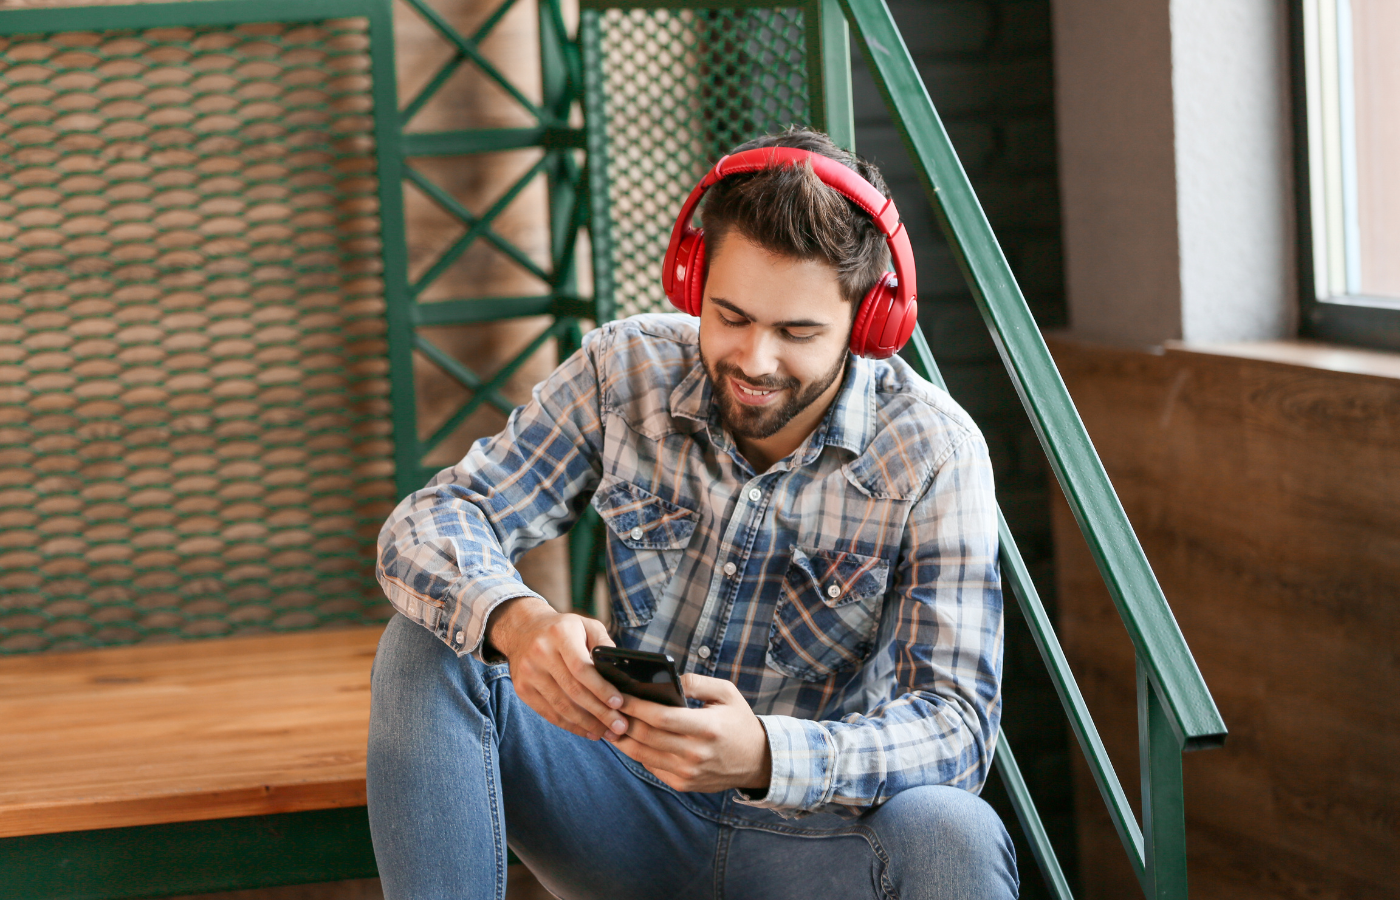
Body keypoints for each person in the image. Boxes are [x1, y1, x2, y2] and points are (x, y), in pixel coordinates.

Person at [367, 127, 1018, 900]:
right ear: (692, 280)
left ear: (866, 326)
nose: (755, 360)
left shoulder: (934, 454)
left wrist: (767, 755)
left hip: (817, 841)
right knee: (430, 643)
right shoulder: (625, 371)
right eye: (732, 316)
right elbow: (431, 519)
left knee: (955, 831)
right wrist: (519, 620)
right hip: (622, 808)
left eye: (798, 332)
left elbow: (956, 727)